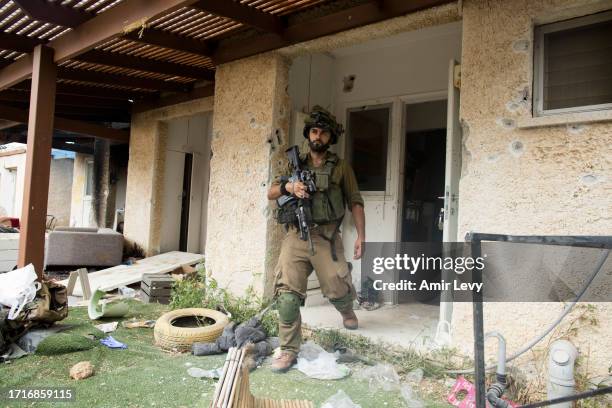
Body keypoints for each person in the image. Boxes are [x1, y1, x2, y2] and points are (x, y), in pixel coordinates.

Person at [267, 106, 366, 373]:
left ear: (330, 138)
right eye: (313, 131)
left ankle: (346, 309)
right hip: (296, 235)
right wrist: (290, 186)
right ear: (307, 134)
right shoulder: (293, 162)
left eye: (322, 132)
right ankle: (288, 350)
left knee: (336, 286)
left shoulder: (341, 167)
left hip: (327, 236)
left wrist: (361, 237)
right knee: (286, 295)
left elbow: (355, 202)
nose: (317, 136)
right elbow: (272, 192)